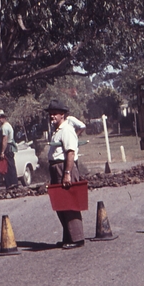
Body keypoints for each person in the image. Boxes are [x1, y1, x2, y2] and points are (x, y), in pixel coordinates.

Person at [45, 99, 84, 249]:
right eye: (50, 114)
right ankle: (68, 236)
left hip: (64, 167)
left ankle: (77, 238)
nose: (52, 116)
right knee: (61, 204)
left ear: (63, 115)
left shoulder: (67, 130)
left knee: (70, 203)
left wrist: (67, 173)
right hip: (56, 167)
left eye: (55, 114)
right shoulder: (56, 130)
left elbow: (70, 153)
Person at [0, 110, 19, 189]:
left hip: (7, 148)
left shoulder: (5, 127)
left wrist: (2, 152)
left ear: (3, 118)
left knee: (8, 167)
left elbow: (5, 139)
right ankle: (11, 184)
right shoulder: (6, 126)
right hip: (8, 148)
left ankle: (12, 184)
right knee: (8, 166)